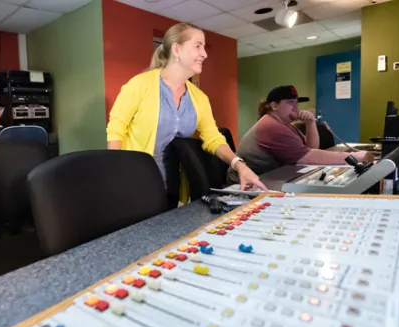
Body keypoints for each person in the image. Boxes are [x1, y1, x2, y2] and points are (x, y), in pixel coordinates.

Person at [106, 22, 267, 208]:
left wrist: (239, 164)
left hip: (171, 185)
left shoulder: (199, 98)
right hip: (134, 183)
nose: (204, 54)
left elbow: (213, 138)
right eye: (198, 46)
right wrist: (115, 175)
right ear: (176, 49)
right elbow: (116, 128)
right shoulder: (139, 85)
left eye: (204, 47)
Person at [228, 85, 372, 181]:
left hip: (268, 177)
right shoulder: (271, 126)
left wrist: (310, 123)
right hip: (243, 183)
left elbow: (311, 149)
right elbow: (308, 157)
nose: (296, 107)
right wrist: (354, 156)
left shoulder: (286, 125)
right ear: (274, 106)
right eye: (290, 103)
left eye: (297, 103)